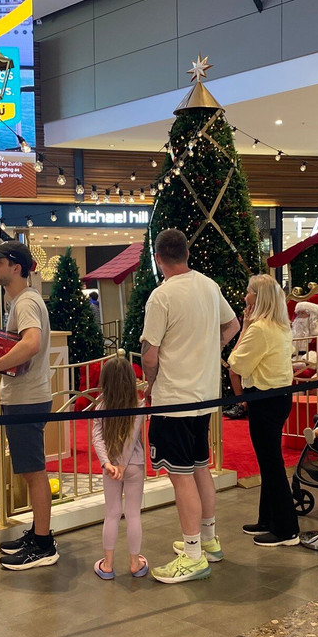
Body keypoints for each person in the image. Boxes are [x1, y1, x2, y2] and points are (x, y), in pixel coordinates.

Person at [141, 229, 240, 582]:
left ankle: (194, 554)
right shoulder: (209, 286)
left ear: (158, 258)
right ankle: (208, 541)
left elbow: (149, 354)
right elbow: (233, 324)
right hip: (205, 396)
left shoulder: (161, 296)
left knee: (181, 477)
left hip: (174, 399)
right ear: (186, 253)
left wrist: (150, 383)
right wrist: (210, 347)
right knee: (200, 469)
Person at [0, 241, 56, 570]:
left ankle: (43, 544)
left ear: (17, 267)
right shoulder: (23, 301)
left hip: (27, 399)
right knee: (29, 470)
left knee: (34, 472)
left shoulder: (25, 302)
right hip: (25, 397)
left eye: (0, 262)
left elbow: (32, 343)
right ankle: (39, 535)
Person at [227, 275, 298, 547]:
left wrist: (245, 328)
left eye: (249, 292)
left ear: (259, 297)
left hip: (265, 400)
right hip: (278, 398)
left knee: (271, 464)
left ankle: (286, 529)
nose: (245, 296)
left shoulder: (260, 329)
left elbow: (236, 363)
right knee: (269, 462)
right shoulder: (280, 326)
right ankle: (268, 518)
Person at [90, 356, 147, 579]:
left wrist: (107, 463)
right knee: (133, 515)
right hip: (134, 465)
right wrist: (122, 464)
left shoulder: (101, 406)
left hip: (111, 467)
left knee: (112, 514)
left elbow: (97, 437)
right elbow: (132, 438)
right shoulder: (138, 404)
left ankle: (107, 565)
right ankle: (135, 563)